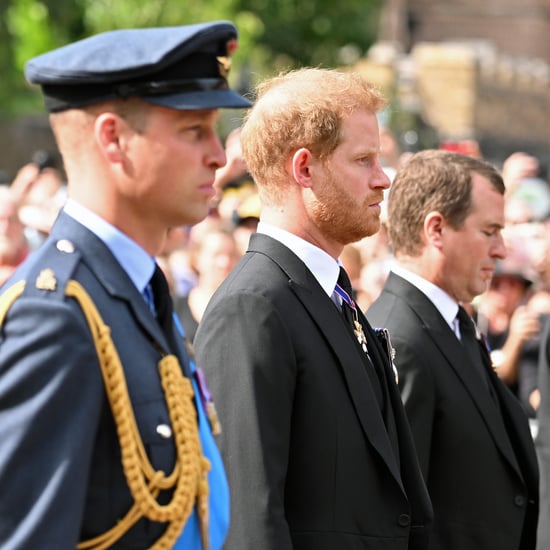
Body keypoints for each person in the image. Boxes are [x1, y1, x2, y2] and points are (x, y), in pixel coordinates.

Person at [0, 21, 250, 549]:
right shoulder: (58, 314)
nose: (218, 155)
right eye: (193, 130)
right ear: (113, 139)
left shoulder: (136, 286)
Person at [194, 67, 433, 550]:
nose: (383, 180)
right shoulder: (252, 307)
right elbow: (249, 520)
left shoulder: (329, 294)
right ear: (304, 169)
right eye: (364, 160)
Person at [368, 149, 539, 550]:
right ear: (437, 230)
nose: (500, 249)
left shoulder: (451, 322)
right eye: (489, 231)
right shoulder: (402, 338)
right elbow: (400, 514)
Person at [0, 185, 30, 285]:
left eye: (11, 220)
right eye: (0, 219)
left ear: (21, 224)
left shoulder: (31, 264)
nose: (5, 228)